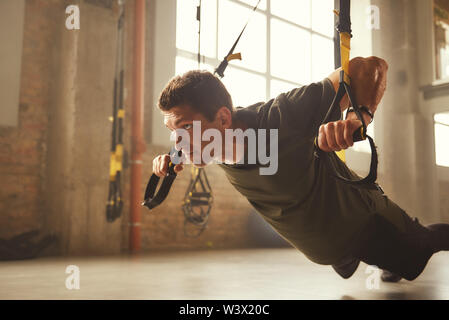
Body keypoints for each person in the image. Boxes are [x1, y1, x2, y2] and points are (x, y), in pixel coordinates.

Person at [153, 56, 449, 282]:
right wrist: (169, 161)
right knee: (354, 263)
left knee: (413, 256)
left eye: (185, 129)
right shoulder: (208, 142)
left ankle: (408, 247)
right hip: (332, 246)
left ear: (223, 118)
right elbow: (186, 144)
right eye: (172, 132)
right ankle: (381, 260)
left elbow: (373, 66)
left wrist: (359, 118)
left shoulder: (281, 117)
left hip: (364, 224)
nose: (178, 142)